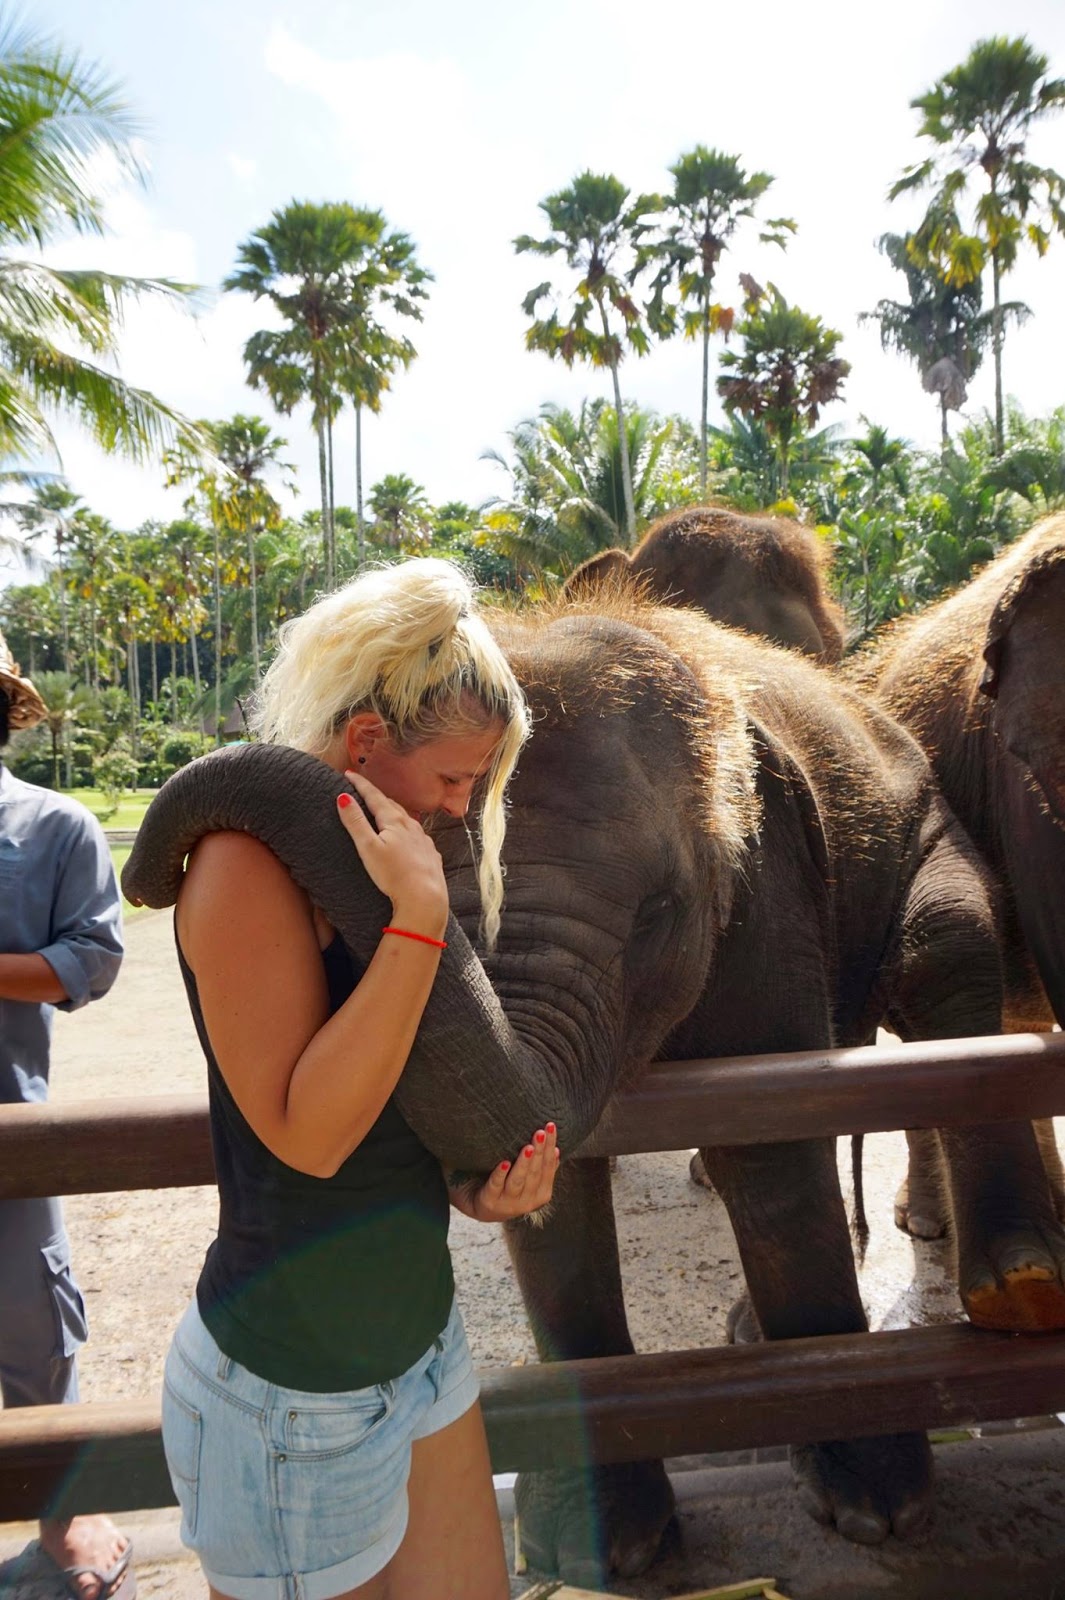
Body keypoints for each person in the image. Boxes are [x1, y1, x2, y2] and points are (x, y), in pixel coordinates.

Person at [161, 559, 560, 1600]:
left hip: (422, 1346)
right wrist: (421, 923)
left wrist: (474, 1185)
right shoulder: (243, 867)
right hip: (289, 1393)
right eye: (453, 778)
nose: (461, 809)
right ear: (366, 742)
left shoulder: (383, 865)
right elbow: (309, 1132)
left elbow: (393, 1110)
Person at [0, 633, 131, 1600]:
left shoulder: (53, 828)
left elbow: (91, 958)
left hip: (10, 1129)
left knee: (38, 1338)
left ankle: (66, 1529)